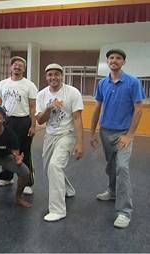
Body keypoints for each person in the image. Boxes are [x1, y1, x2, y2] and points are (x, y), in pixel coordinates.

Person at [90, 49, 145, 229]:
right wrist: (92, 132)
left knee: (122, 168)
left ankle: (124, 212)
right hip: (105, 131)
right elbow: (97, 108)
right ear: (107, 62)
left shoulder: (133, 82)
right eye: (111, 58)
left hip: (123, 134)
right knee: (111, 166)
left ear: (123, 62)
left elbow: (138, 110)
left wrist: (129, 135)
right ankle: (112, 191)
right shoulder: (103, 83)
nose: (114, 60)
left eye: (118, 58)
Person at [36, 63, 83, 222]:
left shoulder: (72, 92)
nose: (53, 77)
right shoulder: (42, 94)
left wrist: (80, 143)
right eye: (50, 74)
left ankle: (58, 210)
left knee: (55, 166)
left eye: (56, 74)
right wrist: (49, 108)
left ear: (62, 76)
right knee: (48, 169)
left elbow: (77, 118)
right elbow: (40, 120)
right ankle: (67, 189)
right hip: (50, 136)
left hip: (66, 135)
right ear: (46, 77)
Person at [0, 56, 37, 195]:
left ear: (24, 69)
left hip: (23, 121)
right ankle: (6, 178)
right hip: (7, 121)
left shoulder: (29, 85)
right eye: (15, 65)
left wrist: (33, 126)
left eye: (20, 65)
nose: (17, 67)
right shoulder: (2, 84)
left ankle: (27, 182)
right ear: (10, 67)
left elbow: (32, 108)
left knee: (24, 151)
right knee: (6, 151)